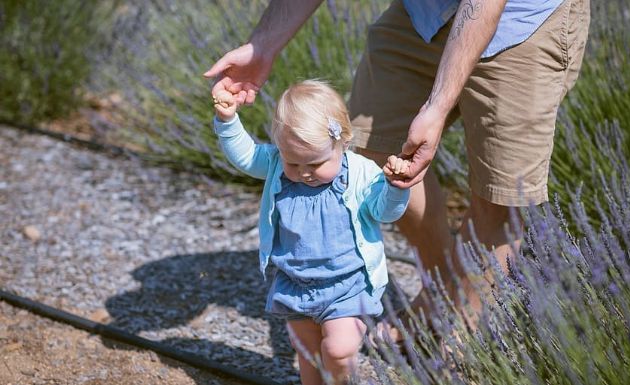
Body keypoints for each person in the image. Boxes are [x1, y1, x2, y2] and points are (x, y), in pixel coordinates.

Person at [205, 0, 590, 336]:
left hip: (521, 24)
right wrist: (263, 45)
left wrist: (437, 107)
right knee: (372, 151)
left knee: (500, 196)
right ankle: (443, 288)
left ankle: (460, 339)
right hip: (425, 13)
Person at [211, 79, 411, 385]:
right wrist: (228, 120)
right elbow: (246, 156)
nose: (304, 172)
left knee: (339, 350)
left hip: (348, 284)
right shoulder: (278, 165)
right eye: (294, 162)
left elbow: (384, 211)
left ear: (343, 142)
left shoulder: (360, 174)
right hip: (295, 283)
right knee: (308, 353)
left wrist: (396, 190)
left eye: (315, 163)